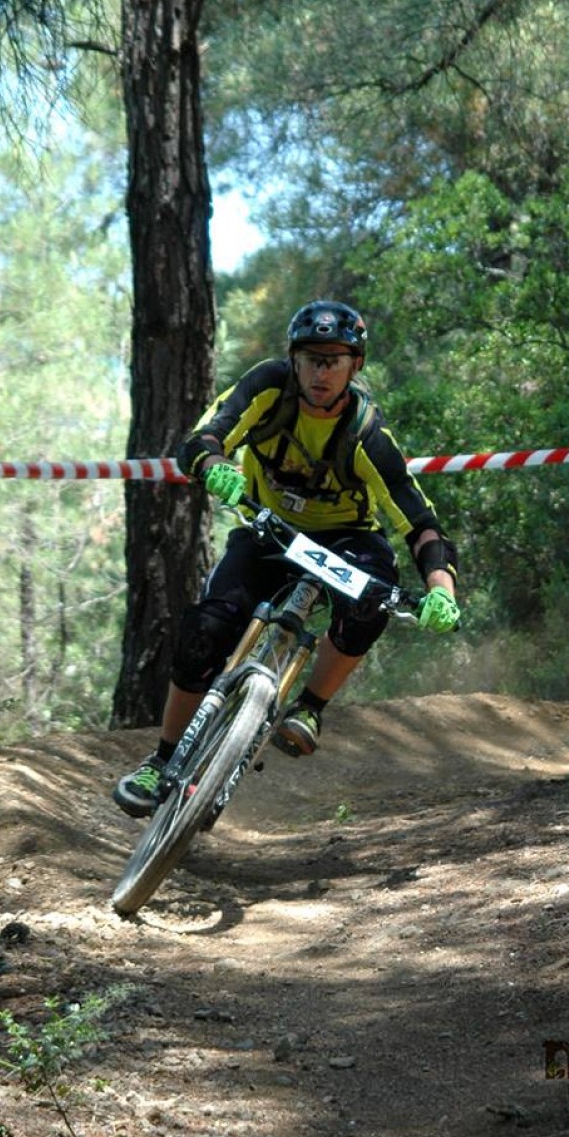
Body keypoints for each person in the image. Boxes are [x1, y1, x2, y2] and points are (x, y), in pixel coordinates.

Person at [114, 299, 460, 817]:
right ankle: (162, 759)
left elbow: (420, 522)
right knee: (205, 630)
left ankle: (311, 707)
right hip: (267, 530)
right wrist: (212, 463)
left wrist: (441, 590)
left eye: (335, 360)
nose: (321, 372)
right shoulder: (268, 389)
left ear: (354, 366)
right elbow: (204, 436)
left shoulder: (366, 433)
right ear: (293, 360)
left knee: (374, 598)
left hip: (345, 540)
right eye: (312, 359)